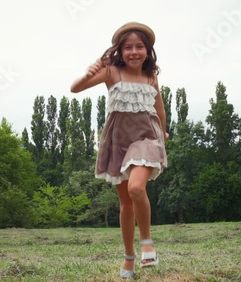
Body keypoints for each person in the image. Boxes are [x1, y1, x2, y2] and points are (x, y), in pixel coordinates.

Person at [71, 22, 168, 279]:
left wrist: (164, 134)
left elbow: (159, 109)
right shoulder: (111, 72)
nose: (134, 52)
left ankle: (147, 243)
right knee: (125, 203)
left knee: (137, 188)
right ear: (120, 51)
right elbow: (75, 88)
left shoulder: (151, 76)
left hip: (146, 138)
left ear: (147, 50)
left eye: (139, 47)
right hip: (118, 140)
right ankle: (128, 259)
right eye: (128, 47)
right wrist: (89, 71)